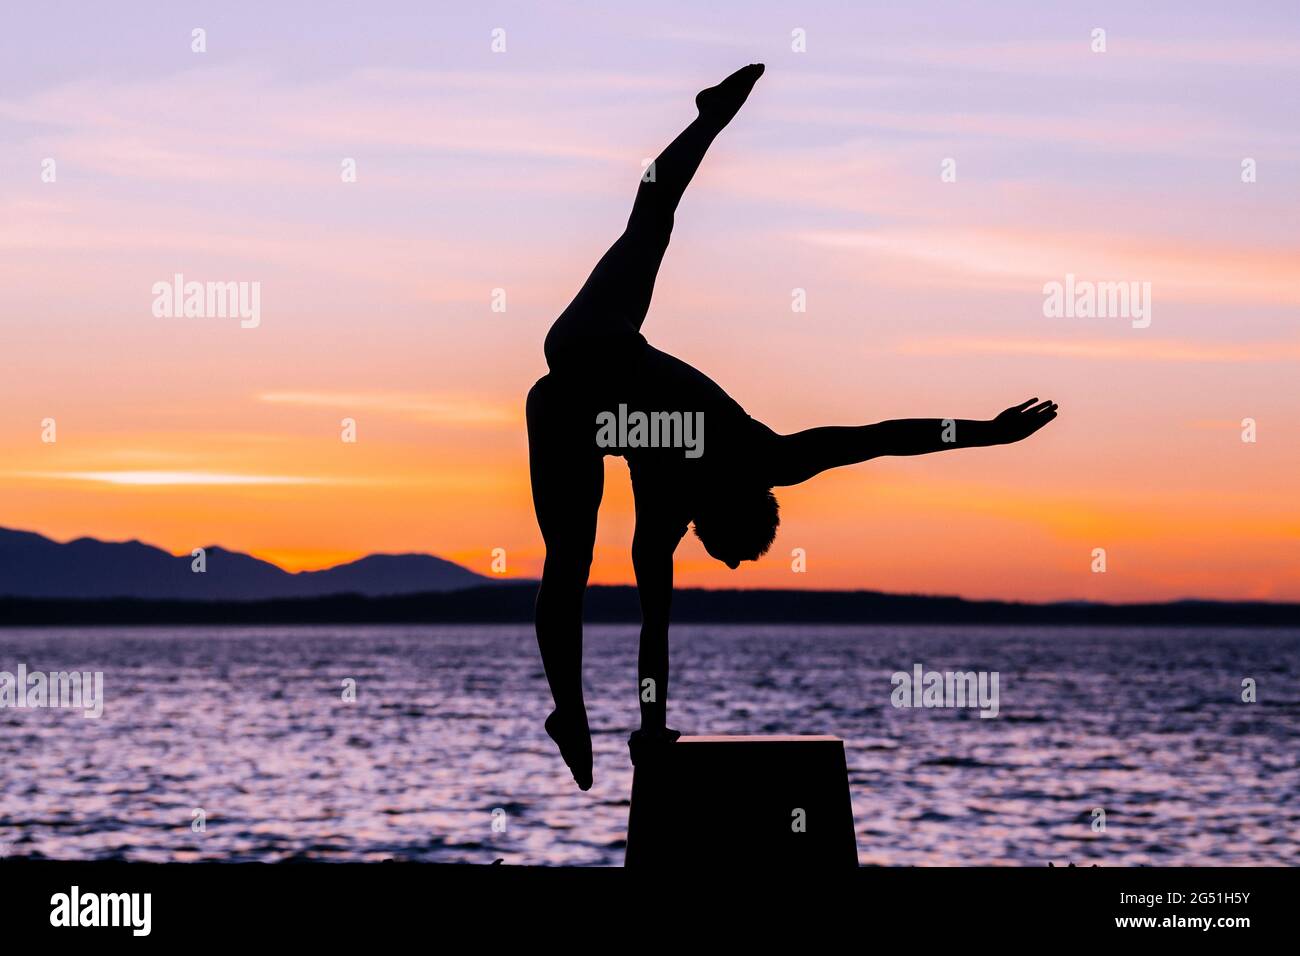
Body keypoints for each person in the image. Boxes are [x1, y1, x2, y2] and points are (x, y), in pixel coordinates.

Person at [526, 64, 1058, 790]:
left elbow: (657, 636)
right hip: (595, 356)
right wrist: (983, 433)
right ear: (733, 510)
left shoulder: (673, 513)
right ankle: (709, 119)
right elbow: (882, 436)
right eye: (730, 550)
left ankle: (568, 710)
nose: (726, 561)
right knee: (653, 219)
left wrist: (652, 727)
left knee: (651, 221)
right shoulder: (762, 458)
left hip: (575, 385)